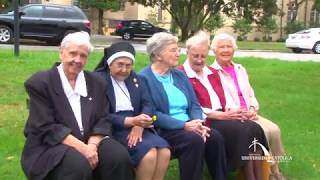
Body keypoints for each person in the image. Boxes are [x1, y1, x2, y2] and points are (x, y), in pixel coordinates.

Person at [21, 32, 135, 180]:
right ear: (61, 53)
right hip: (51, 144)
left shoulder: (96, 82)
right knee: (77, 165)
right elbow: (45, 127)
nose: (77, 60)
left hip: (91, 140)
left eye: (83, 56)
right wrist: (83, 148)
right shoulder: (40, 83)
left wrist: (92, 146)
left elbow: (103, 119)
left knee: (118, 157)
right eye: (73, 53)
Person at [179, 31, 269, 180]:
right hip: (207, 119)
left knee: (255, 128)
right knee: (245, 131)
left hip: (223, 115)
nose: (200, 60)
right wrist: (220, 115)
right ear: (187, 52)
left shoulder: (212, 72)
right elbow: (189, 106)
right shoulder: (182, 74)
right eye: (195, 56)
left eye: (203, 56)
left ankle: (259, 177)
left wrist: (230, 109)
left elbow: (223, 98)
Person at [139, 32, 227, 180]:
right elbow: (153, 114)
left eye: (177, 49)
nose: (178, 53)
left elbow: (194, 104)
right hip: (164, 129)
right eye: (173, 50)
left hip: (190, 125)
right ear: (158, 55)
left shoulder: (179, 75)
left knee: (215, 138)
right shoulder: (144, 78)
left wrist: (198, 123)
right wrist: (184, 125)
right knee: (194, 140)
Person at [210, 33, 286, 180]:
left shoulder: (240, 69)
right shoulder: (212, 72)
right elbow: (222, 99)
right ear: (214, 50)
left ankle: (276, 169)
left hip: (250, 112)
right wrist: (241, 113)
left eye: (229, 46)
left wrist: (252, 108)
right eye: (221, 47)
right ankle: (268, 173)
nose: (226, 50)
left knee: (274, 130)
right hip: (235, 115)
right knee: (264, 131)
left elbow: (250, 93)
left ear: (234, 49)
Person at [95, 42, 171, 180]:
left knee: (165, 152)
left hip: (138, 126)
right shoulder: (99, 80)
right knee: (149, 155)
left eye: (128, 65)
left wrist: (139, 124)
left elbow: (148, 104)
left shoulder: (136, 78)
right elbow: (99, 114)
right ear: (110, 63)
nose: (124, 70)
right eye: (120, 64)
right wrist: (131, 121)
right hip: (114, 128)